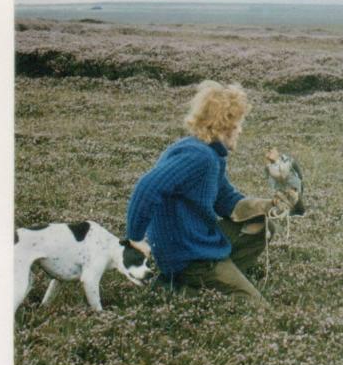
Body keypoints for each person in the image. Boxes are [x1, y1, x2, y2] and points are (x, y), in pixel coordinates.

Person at [125, 80, 293, 306]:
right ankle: (180, 289)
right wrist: (134, 238)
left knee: (262, 225)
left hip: (191, 241)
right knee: (254, 305)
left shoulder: (208, 153)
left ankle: (218, 279)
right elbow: (148, 187)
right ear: (223, 125)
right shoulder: (199, 156)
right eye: (238, 124)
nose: (241, 130)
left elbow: (226, 200)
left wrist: (269, 205)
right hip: (188, 254)